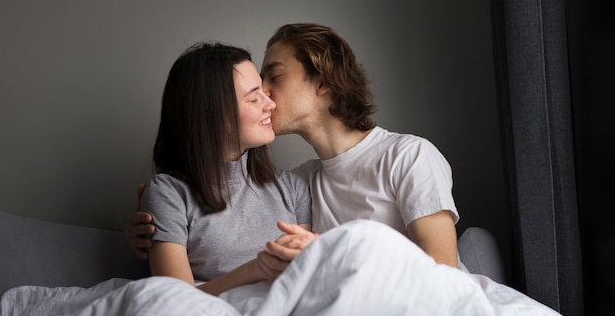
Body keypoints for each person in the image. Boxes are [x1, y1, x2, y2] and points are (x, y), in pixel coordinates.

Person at [128, 23, 459, 269]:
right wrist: (155, 233)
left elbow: (442, 270)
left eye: (274, 77)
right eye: (256, 88)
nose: (265, 95)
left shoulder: (408, 156)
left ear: (324, 82)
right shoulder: (301, 183)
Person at [139, 42, 313, 296]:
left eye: (265, 92)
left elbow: (304, 280)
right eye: (254, 98)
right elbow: (174, 300)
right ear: (212, 113)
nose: (270, 104)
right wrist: (254, 270)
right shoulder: (169, 194)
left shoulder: (293, 189)